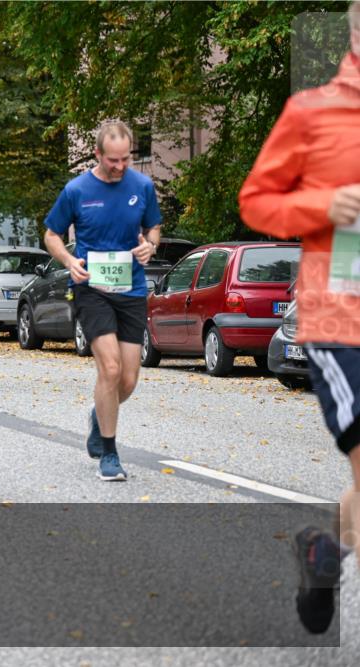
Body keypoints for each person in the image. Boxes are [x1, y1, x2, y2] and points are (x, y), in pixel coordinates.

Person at [239, 2, 360, 634]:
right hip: (342, 323)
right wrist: (324, 204)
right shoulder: (314, 112)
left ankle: (325, 550)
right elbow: (257, 199)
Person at [43, 120, 162, 482]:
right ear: (97, 154)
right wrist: (68, 261)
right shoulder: (77, 190)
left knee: (127, 380)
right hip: (91, 288)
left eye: (126, 158)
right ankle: (109, 453)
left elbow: (153, 226)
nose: (120, 166)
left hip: (132, 289)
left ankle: (99, 414)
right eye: (113, 160)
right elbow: (51, 234)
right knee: (108, 370)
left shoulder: (142, 186)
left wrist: (150, 244)